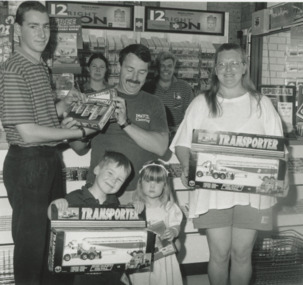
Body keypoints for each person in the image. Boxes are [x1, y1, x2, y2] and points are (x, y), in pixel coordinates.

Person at [170, 43, 287, 285]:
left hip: (254, 194)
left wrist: (279, 180)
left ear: (244, 67)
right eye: (221, 64)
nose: (228, 69)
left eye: (234, 63)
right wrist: (186, 165)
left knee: (242, 254)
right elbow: (182, 144)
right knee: (219, 254)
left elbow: (278, 151)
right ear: (214, 70)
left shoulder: (261, 103)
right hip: (212, 193)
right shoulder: (202, 102)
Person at [0, 2, 94, 284]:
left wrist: (63, 106)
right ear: (18, 30)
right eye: (33, 26)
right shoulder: (15, 67)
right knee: (32, 250)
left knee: (53, 244)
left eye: (45, 27)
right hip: (29, 164)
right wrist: (75, 134)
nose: (42, 34)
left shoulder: (38, 65)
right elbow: (27, 133)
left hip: (46, 162)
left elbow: (41, 117)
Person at [69, 44, 169, 202]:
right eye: (130, 70)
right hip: (101, 191)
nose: (135, 77)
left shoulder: (154, 103)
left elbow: (161, 147)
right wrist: (73, 128)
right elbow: (79, 148)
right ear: (119, 66)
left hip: (140, 194)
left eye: (141, 72)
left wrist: (125, 123)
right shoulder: (99, 99)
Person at [48, 151, 132, 285]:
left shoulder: (114, 203)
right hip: (82, 268)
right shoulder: (75, 197)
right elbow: (52, 216)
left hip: (108, 266)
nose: (113, 181)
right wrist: (56, 204)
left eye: (119, 179)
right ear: (97, 169)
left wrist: (136, 208)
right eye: (110, 173)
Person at [129, 160, 183, 285]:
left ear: (164, 185)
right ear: (140, 183)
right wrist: (134, 208)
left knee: (164, 280)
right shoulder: (136, 207)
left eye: (158, 181)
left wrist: (173, 231)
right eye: (148, 181)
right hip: (141, 256)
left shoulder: (169, 207)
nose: (152, 186)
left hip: (163, 256)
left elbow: (176, 225)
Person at [142, 51, 194, 140]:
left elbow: (191, 115)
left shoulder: (184, 87)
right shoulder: (147, 88)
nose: (166, 69)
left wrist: (179, 129)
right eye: (163, 66)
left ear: (174, 68)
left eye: (169, 66)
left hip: (178, 134)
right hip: (153, 135)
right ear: (158, 68)